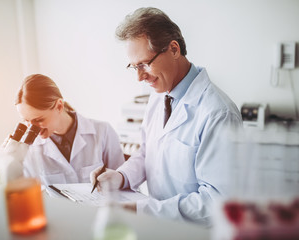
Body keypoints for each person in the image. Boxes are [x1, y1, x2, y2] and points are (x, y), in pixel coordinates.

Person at [90, 7, 242, 226]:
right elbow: (146, 154)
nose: (139, 77)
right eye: (133, 67)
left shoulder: (218, 114)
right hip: (161, 227)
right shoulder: (159, 95)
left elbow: (217, 202)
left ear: (173, 49)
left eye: (144, 64)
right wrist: (120, 177)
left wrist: (141, 210)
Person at [15, 74, 125, 185]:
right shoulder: (29, 149)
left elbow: (122, 184)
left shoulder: (103, 131)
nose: (32, 129)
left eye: (38, 120)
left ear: (59, 106)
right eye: (26, 121)